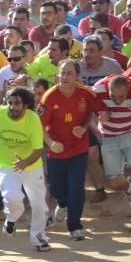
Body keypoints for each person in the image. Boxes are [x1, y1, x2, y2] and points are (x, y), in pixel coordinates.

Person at [0, 87, 50, 252]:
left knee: (39, 205)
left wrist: (25, 163)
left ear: (25, 105)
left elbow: (38, 150)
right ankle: (11, 219)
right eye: (9, 103)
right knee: (12, 198)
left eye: (17, 103)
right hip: (6, 165)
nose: (12, 107)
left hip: (32, 166)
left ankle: (39, 237)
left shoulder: (33, 119)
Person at [39, 61, 97, 241]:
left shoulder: (86, 93)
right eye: (62, 73)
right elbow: (38, 125)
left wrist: (84, 127)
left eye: (69, 73)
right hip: (56, 150)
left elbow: (92, 112)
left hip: (78, 147)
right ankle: (62, 204)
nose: (65, 77)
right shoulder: (49, 97)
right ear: (57, 75)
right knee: (57, 188)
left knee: (76, 187)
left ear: (77, 75)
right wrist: (50, 142)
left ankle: (75, 226)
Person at [90, 75, 131, 233]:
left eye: (121, 97)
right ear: (107, 89)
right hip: (109, 136)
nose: (117, 101)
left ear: (129, 89)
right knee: (114, 183)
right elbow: (90, 112)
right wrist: (103, 115)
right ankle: (130, 187)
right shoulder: (98, 89)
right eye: (113, 97)